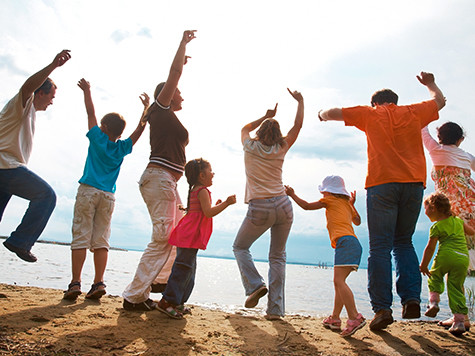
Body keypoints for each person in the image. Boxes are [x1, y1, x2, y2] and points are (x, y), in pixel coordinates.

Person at [319, 72, 446, 331]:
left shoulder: (370, 113)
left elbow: (334, 112)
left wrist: (321, 113)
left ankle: (382, 308)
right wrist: (430, 84)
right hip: (413, 185)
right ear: (395, 102)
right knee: (404, 242)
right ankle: (411, 299)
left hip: (381, 184)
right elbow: (440, 101)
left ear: (375, 103)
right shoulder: (413, 112)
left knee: (379, 247)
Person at [122, 30, 196, 311]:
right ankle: (133, 296)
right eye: (177, 91)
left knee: (175, 238)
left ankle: (161, 289)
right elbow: (174, 71)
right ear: (165, 94)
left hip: (167, 182)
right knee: (164, 238)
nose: (181, 95)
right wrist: (182, 43)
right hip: (159, 179)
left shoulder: (167, 117)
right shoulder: (160, 109)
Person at [63, 79, 148, 301]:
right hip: (108, 196)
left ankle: (75, 283)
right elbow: (138, 132)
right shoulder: (122, 148)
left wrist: (87, 91)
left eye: (101, 125)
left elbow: (89, 112)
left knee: (81, 237)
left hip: (88, 190)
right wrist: (145, 111)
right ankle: (98, 282)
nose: (99, 127)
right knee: (101, 240)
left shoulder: (98, 139)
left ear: (105, 128)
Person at [233, 88, 304, 320]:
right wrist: (300, 102)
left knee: (240, 247)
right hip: (284, 205)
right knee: (277, 257)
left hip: (260, 206)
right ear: (277, 134)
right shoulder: (281, 147)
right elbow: (298, 127)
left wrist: (265, 115)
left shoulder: (249, 147)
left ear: (261, 131)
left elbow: (244, 128)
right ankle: (275, 310)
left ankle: (254, 285)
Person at [0, 50, 71, 263]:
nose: (52, 102)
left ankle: (20, 241)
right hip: (6, 167)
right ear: (40, 93)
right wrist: (52, 66)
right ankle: (20, 241)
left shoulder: (29, 114)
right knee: (46, 196)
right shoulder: (22, 104)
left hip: (7, 172)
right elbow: (27, 87)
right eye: (51, 96)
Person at [285, 176, 365, 337]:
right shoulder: (345, 204)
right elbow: (358, 221)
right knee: (339, 283)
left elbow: (306, 206)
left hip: (345, 243)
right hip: (353, 244)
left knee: (339, 281)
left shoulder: (330, 201)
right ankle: (335, 319)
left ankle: (354, 317)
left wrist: (292, 194)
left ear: (328, 191)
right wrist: (352, 205)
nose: (322, 194)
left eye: (323, 191)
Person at [156, 158, 236, 319]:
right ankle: (167, 301)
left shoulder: (196, 189)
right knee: (183, 270)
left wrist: (218, 204)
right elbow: (208, 212)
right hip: (189, 235)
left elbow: (201, 210)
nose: (213, 174)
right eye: (210, 171)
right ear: (201, 175)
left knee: (187, 271)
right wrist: (226, 203)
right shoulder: (202, 191)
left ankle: (177, 302)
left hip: (188, 234)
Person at [421, 122, 475, 270]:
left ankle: (454, 292)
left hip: (452, 210)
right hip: (470, 205)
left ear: (439, 137)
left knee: (454, 258)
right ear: (461, 139)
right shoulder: (467, 157)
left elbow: (422, 128)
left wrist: (434, 106)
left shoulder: (436, 150)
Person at [419, 192, 474, 336]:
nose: (425, 212)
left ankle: (434, 302)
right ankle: (459, 321)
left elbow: (430, 248)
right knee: (456, 288)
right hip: (462, 259)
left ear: (433, 208)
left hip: (445, 255)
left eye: (425, 208)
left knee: (435, 275)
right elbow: (472, 232)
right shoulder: (458, 222)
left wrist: (424, 265)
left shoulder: (436, 227)